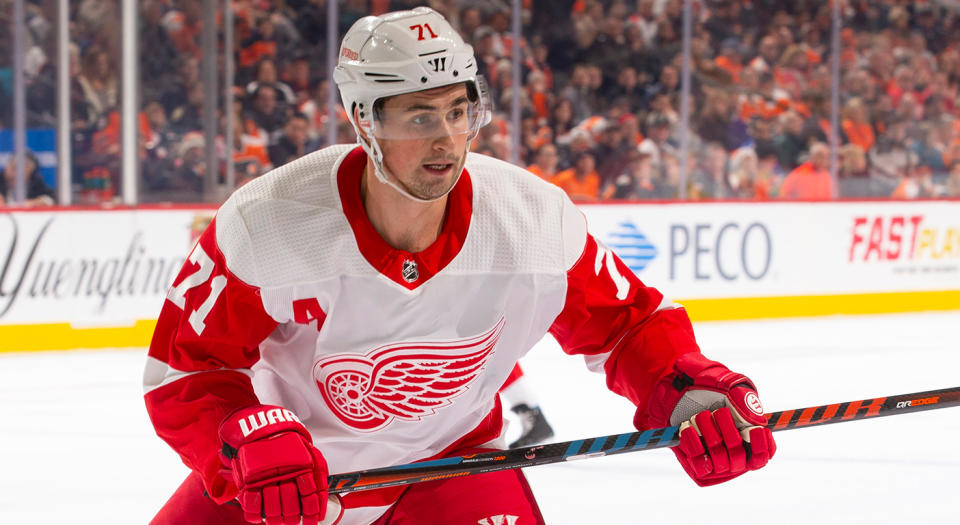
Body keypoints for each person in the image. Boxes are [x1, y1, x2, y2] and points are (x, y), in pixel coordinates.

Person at [144, 8, 776, 525]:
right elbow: (185, 371)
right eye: (420, 116)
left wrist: (687, 392)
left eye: (457, 111)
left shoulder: (532, 219)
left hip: (446, 471)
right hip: (284, 480)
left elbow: (629, 326)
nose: (447, 139)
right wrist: (243, 438)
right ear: (363, 120)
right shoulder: (270, 222)